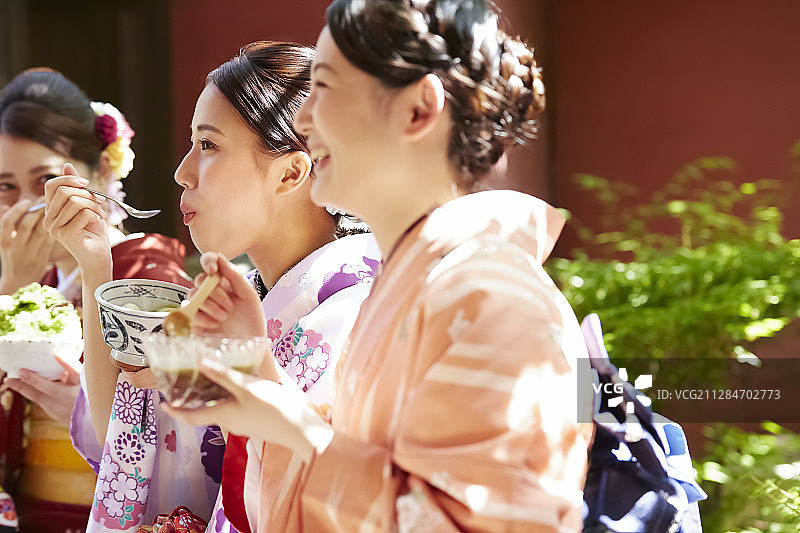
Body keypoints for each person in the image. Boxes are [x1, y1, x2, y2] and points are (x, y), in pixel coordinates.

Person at [168, 0, 593, 531]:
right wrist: (259, 375)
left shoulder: (499, 302)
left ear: (417, 111)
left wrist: (288, 421)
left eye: (324, 87)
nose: (300, 119)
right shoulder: (414, 288)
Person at [44, 41, 380, 533]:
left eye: (208, 145)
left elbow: (322, 490)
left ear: (291, 171)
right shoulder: (237, 296)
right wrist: (96, 265)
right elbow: (122, 437)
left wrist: (224, 389)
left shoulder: (357, 309)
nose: (182, 172)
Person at [0, 68, 191, 532]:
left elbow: (179, 432)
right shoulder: (33, 276)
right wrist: (11, 290)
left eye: (46, 179)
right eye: (5, 186)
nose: (28, 204)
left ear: (101, 172)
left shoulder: (149, 273)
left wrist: (91, 413)